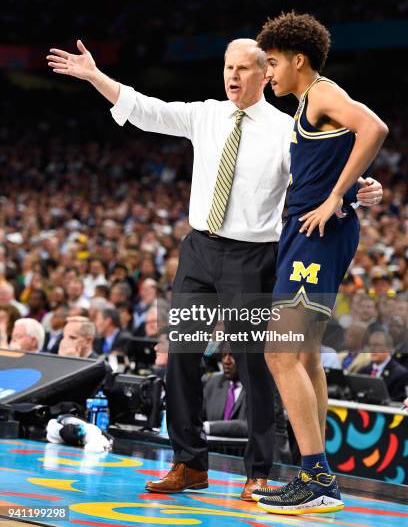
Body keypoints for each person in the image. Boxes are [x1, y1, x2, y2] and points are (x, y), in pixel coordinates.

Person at [47, 37, 382, 500]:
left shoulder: (287, 128)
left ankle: (258, 472)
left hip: (254, 256)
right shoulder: (204, 114)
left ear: (265, 73)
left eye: (244, 68)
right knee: (180, 357)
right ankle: (188, 464)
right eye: (228, 67)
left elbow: (327, 167)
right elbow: (145, 108)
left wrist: (363, 187)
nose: (233, 76)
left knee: (256, 365)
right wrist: (94, 76)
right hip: (199, 249)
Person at [252, 12, 388, 515]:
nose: (268, 74)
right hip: (303, 232)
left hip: (318, 235)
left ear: (298, 60)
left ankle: (316, 477)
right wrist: (355, 189)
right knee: (303, 354)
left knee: (280, 352)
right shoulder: (306, 107)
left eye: (271, 63)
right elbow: (344, 153)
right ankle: (315, 471)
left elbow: (374, 127)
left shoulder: (323, 92)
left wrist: (336, 198)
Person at [357, 329, 408, 401]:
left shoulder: (400, 374)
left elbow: (397, 401)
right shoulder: (362, 371)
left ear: (389, 348)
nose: (372, 349)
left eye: (377, 345)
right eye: (370, 345)